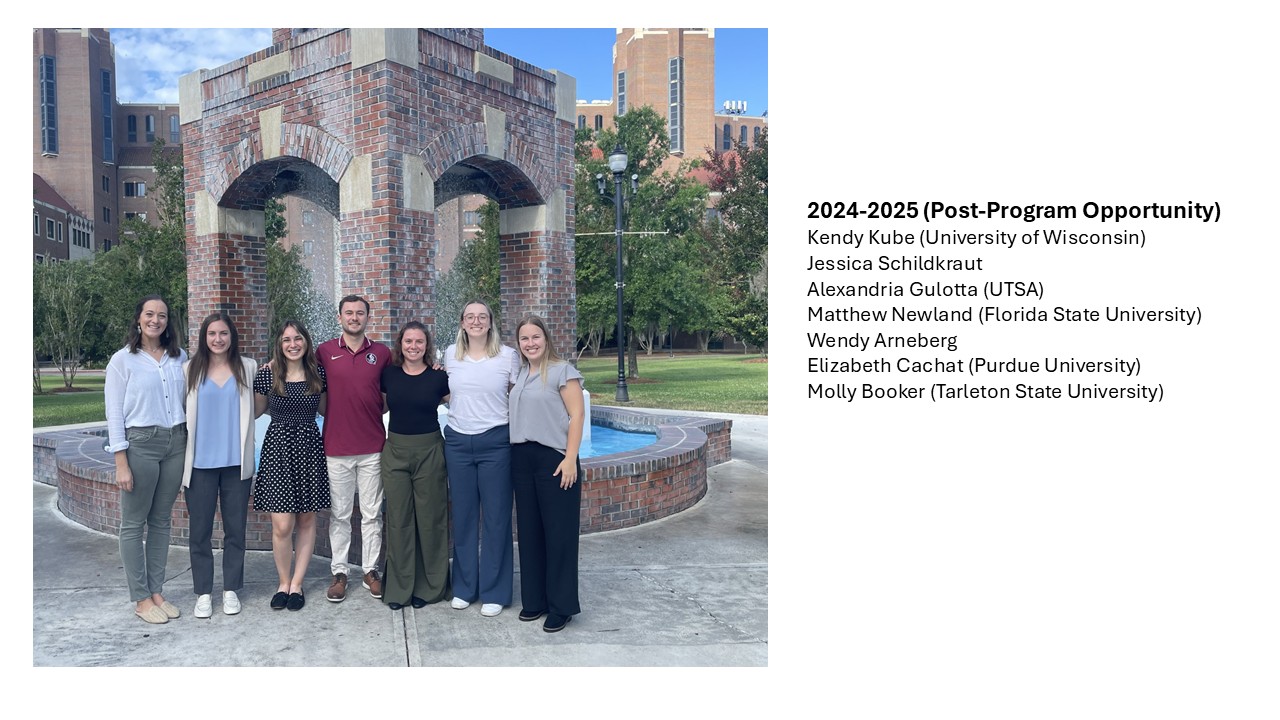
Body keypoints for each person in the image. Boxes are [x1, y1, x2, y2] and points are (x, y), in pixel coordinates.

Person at [104, 294, 188, 625]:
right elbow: (114, 413)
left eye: (162, 315)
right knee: (133, 523)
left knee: (162, 520)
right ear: (138, 319)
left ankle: (156, 592)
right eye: (149, 314)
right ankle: (140, 598)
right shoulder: (122, 361)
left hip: (176, 442)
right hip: (141, 444)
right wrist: (120, 461)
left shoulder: (178, 357)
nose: (156, 320)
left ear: (168, 322)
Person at [442, 300, 520, 617]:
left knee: (496, 518)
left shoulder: (508, 356)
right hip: (458, 441)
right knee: (463, 517)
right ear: (462, 322)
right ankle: (464, 587)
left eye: (482, 317)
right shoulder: (450, 354)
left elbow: (517, 395)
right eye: (470, 317)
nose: (476, 321)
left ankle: (494, 591)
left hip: (496, 442)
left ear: (490, 322)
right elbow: (447, 392)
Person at [509, 315, 586, 633]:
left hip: (554, 459)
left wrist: (570, 458)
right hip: (521, 458)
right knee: (529, 533)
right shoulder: (520, 374)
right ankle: (535, 599)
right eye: (524, 338)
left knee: (559, 535)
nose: (530, 343)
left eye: (535, 337)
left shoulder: (562, 371)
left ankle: (561, 606)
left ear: (546, 338)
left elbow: (577, 415)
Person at [181, 313, 257, 619]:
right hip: (200, 465)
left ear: (232, 336)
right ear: (204, 337)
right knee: (199, 531)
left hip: (235, 465)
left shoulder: (248, 368)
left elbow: (260, 404)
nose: (218, 339)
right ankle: (203, 592)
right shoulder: (190, 370)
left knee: (235, 530)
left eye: (223, 333)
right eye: (212, 333)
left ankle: (230, 589)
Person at [317, 295, 391, 602]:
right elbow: (303, 378)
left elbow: (387, 396)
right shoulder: (324, 352)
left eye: (360, 313)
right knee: (340, 515)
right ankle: (340, 572)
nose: (354, 317)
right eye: (349, 312)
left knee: (373, 514)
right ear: (340, 317)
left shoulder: (382, 353)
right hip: (336, 447)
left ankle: (371, 571)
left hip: (372, 446)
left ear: (367, 318)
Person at [253, 320, 330, 612]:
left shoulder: (318, 374)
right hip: (278, 450)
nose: (293, 344)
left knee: (307, 520)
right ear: (279, 344)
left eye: (298, 338)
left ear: (306, 342)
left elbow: (327, 409)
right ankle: (282, 582)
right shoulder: (268, 374)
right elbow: (254, 411)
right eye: (286, 340)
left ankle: (297, 584)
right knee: (282, 524)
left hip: (309, 448)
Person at [379, 321, 451, 610]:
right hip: (395, 451)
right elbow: (378, 406)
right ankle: (399, 588)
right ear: (400, 344)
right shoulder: (389, 375)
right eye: (408, 341)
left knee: (431, 520)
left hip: (430, 450)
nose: (413, 346)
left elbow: (462, 404)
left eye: (419, 341)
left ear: (427, 345)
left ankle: (430, 587)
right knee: (398, 520)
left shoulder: (439, 377)